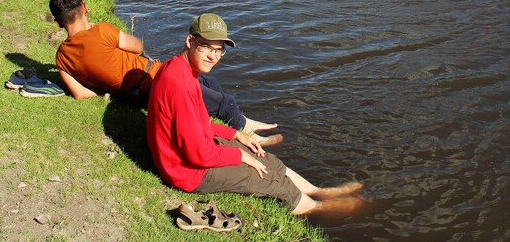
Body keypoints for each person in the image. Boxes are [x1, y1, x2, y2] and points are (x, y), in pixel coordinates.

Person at [146, 12, 366, 217]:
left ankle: (318, 191)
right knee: (270, 179)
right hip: (189, 172)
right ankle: (319, 207)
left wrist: (235, 134)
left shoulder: (179, 68)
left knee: (263, 157)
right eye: (206, 48)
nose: (213, 56)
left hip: (191, 154)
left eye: (218, 50)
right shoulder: (180, 84)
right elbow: (198, 155)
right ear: (190, 41)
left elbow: (196, 122)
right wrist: (240, 156)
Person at [49, 0, 279, 145]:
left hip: (136, 96)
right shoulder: (101, 30)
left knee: (209, 82)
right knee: (222, 101)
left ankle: (244, 121)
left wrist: (109, 85)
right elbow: (138, 46)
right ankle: (247, 134)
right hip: (155, 78)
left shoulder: (61, 57)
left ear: (59, 22)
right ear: (85, 8)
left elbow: (79, 94)